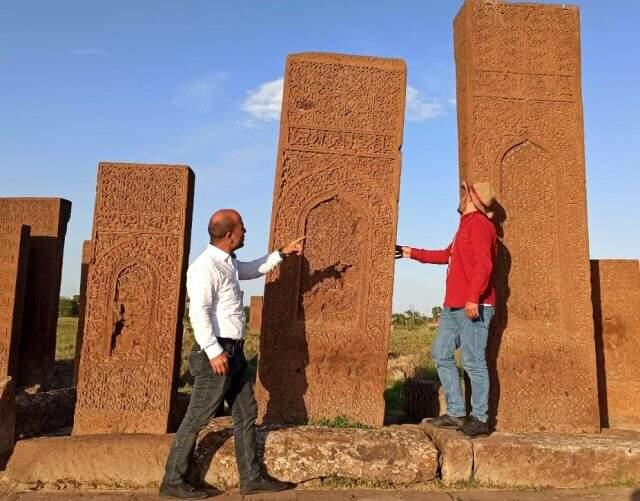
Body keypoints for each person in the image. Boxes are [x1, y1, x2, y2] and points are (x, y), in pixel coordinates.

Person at [160, 209, 304, 499]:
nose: (245, 231)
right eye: (242, 228)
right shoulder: (205, 268)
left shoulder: (227, 263)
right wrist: (214, 352)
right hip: (217, 352)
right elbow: (198, 314)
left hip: (234, 352)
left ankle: (251, 479)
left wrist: (282, 253)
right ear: (229, 235)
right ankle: (172, 481)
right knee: (197, 417)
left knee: (246, 413)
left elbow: (252, 269)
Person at [396, 181, 498, 437]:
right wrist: (410, 253)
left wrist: (473, 297)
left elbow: (484, 265)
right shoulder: (464, 226)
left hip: (475, 305)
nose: (462, 197)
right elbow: (446, 256)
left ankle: (480, 418)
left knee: (473, 361)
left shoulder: (480, 226)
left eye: (466, 193)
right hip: (453, 305)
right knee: (441, 353)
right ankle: (455, 412)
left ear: (473, 198)